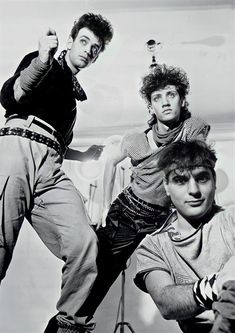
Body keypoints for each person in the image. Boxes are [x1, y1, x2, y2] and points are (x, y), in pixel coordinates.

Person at [0, 13, 113, 333]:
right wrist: (41, 58)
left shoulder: (72, 100)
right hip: (16, 151)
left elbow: (56, 144)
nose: (89, 50)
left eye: (96, 48)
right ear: (71, 41)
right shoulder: (43, 64)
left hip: (51, 167)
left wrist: (82, 154)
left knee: (84, 242)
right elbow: (12, 97)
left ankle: (68, 326)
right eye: (85, 41)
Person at [77, 64, 211, 318]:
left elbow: (196, 161)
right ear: (150, 107)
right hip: (126, 214)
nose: (165, 102)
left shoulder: (192, 128)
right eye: (157, 98)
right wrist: (104, 205)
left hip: (161, 220)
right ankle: (67, 326)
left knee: (185, 273)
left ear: (182, 99)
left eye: (171, 95)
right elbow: (109, 161)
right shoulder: (136, 140)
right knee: (95, 281)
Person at [134, 140, 235, 333]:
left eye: (202, 178)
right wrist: (217, 284)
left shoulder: (231, 219)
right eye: (181, 180)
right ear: (166, 186)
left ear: (214, 180)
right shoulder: (153, 246)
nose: (194, 190)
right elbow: (166, 303)